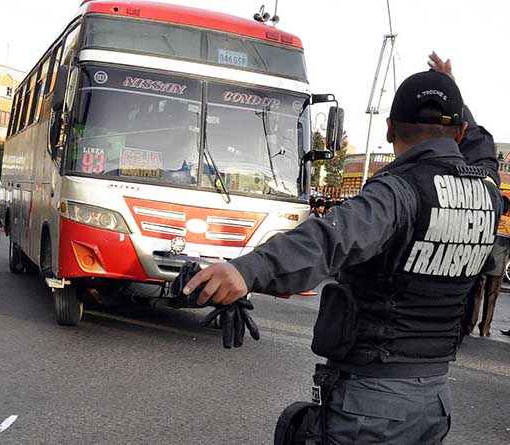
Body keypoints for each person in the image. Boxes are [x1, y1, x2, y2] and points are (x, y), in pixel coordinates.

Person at [182, 57, 501, 443]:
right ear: (461, 130)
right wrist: (454, 95)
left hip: (372, 404)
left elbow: (331, 238)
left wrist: (246, 270)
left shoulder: (400, 192)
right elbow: (482, 152)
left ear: (387, 130)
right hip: (433, 402)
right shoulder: (486, 191)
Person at [463, 196, 510, 337]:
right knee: (491, 299)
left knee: (476, 295)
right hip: (499, 266)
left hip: (481, 263)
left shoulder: (488, 219)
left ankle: (469, 326)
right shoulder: (508, 224)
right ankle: (484, 328)